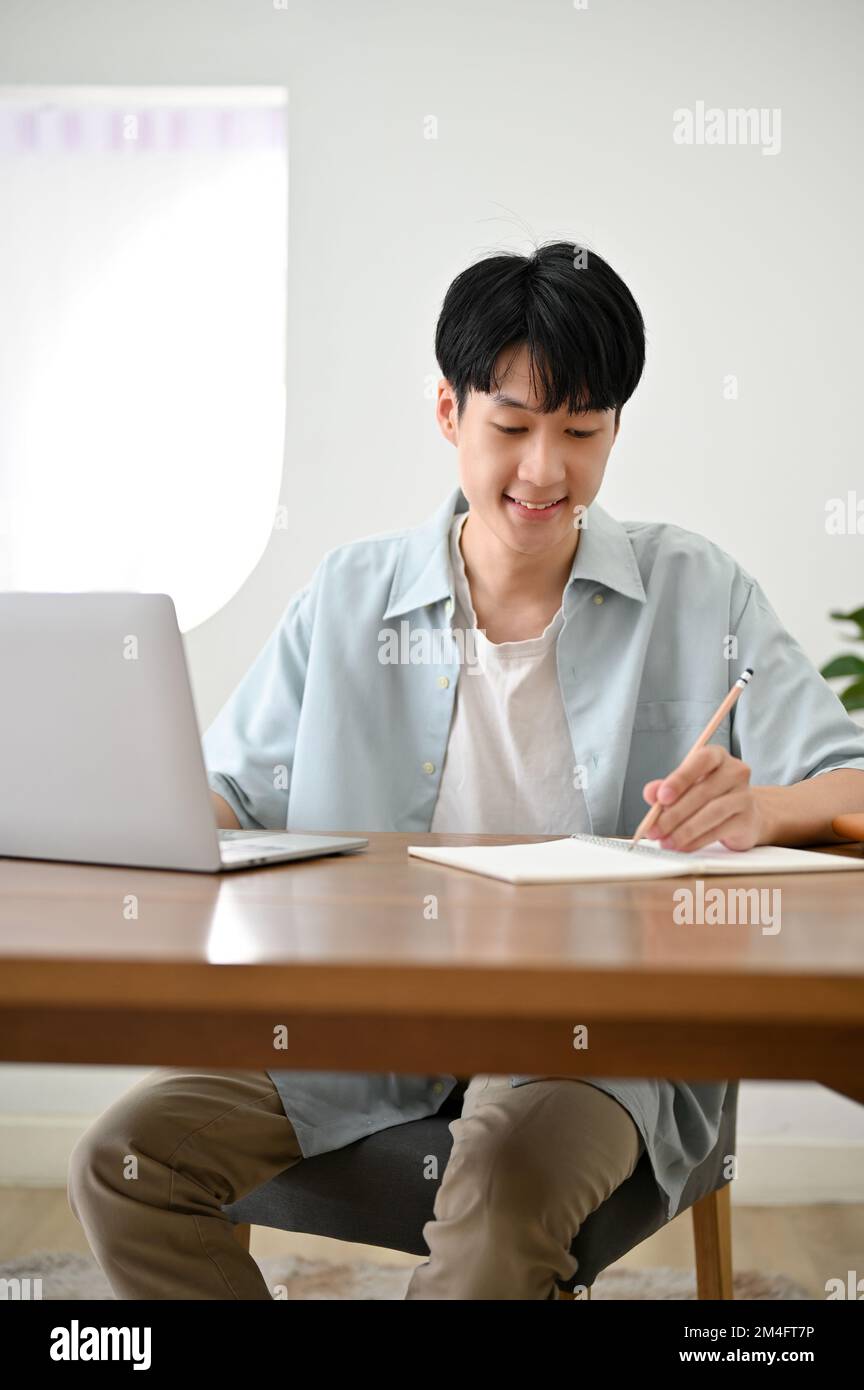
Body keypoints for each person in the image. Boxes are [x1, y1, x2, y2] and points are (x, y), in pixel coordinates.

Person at [68, 241, 864, 1300]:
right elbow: (228, 798)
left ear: (617, 427)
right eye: (513, 426)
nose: (545, 471)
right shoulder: (351, 595)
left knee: (496, 1185)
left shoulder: (696, 589)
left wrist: (762, 806)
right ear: (449, 412)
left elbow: (851, 783)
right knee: (126, 1162)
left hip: (589, 1042)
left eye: (581, 432)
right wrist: (134, 809)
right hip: (356, 1024)